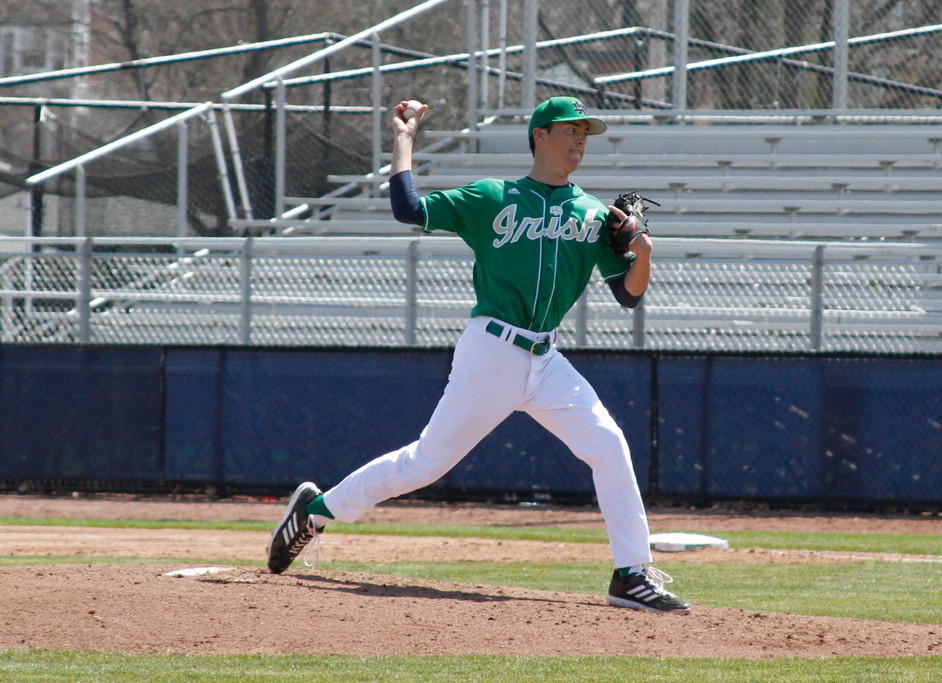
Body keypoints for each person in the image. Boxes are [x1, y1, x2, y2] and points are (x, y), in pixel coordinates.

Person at [267, 96, 690, 614]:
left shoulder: (596, 215)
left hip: (547, 358)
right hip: (492, 349)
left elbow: (628, 295)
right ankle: (315, 510)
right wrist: (404, 139)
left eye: (586, 131)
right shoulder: (494, 197)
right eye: (570, 129)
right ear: (539, 134)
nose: (581, 138)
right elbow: (409, 210)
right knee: (425, 463)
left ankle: (630, 575)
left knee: (608, 443)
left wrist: (642, 252)